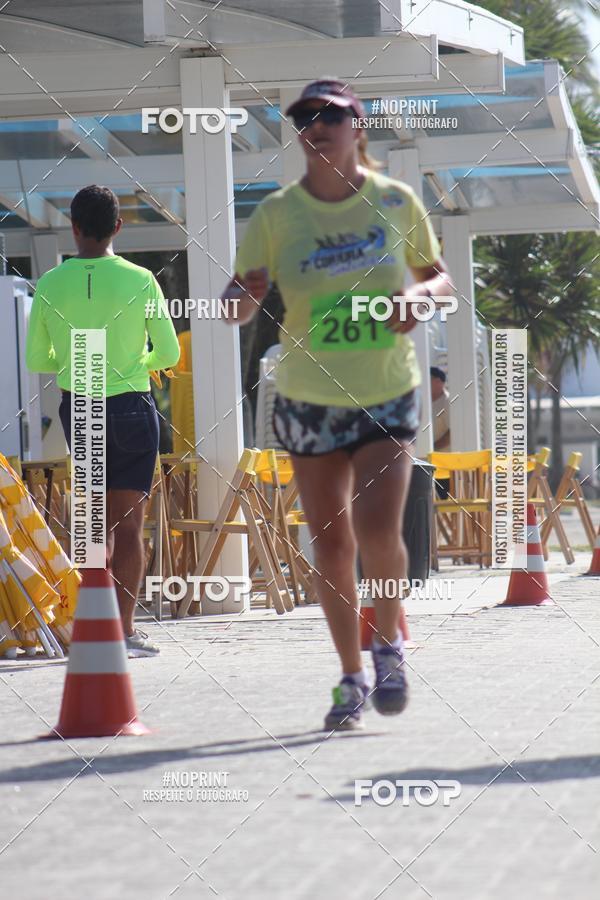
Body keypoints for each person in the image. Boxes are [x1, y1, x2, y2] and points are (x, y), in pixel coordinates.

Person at [222, 78, 455, 729]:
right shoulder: (275, 215)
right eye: (305, 118)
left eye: (332, 116)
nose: (316, 126)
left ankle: (389, 647)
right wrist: (241, 297)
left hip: (384, 391)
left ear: (360, 129)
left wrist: (420, 296)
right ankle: (350, 676)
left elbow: (441, 277)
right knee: (330, 545)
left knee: (379, 531)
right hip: (309, 398)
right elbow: (234, 306)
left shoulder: (394, 200)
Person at [26, 185, 180, 657]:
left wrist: (80, 358)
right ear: (118, 226)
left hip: (84, 403)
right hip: (133, 405)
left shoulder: (50, 284)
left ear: (73, 227)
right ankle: (127, 631)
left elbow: (39, 358)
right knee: (129, 526)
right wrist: (133, 358)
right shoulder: (141, 280)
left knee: (93, 526)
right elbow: (169, 352)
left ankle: (92, 628)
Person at [430, 366, 451, 499]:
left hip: (445, 465)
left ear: (438, 381)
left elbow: (452, 434)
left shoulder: (447, 402)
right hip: (430, 464)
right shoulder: (426, 402)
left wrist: (432, 447)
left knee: (443, 503)